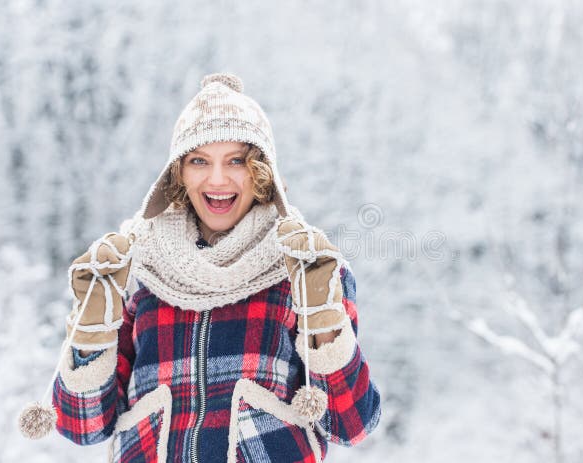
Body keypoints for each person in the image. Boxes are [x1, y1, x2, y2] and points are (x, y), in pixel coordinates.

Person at [51, 72, 381, 462]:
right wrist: (91, 335)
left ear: (262, 171)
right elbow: (82, 427)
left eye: (237, 160)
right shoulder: (138, 274)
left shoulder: (306, 270)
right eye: (199, 160)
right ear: (178, 173)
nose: (218, 178)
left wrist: (326, 324)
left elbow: (352, 425)